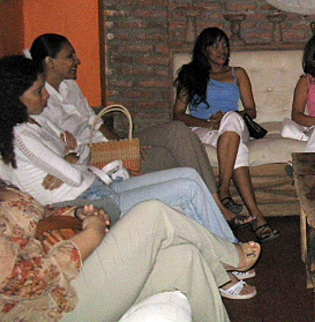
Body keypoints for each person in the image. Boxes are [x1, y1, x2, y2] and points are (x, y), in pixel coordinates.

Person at [0, 55, 258, 302]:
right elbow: (75, 176)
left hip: (100, 186)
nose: (45, 95)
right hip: (86, 204)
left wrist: (70, 156)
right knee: (180, 199)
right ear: (13, 98)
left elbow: (85, 150)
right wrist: (71, 160)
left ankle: (229, 249)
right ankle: (225, 271)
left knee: (189, 177)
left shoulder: (37, 122)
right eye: (37, 91)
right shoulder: (21, 136)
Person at [28, 34, 246, 228]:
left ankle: (215, 204)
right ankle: (214, 209)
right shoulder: (37, 102)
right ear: (50, 62)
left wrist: (124, 145)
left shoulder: (70, 86)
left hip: (111, 146)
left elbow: (96, 121)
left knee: (177, 131)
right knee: (174, 154)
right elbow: (56, 149)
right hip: (96, 158)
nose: (77, 60)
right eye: (70, 56)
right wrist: (110, 154)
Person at [0, 181, 261, 321]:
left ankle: (223, 260)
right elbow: (18, 282)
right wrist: (87, 237)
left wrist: (77, 215)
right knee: (152, 213)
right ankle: (231, 257)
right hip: (47, 307)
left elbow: (42, 214)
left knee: (185, 257)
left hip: (64, 278)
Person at [173, 27, 279, 241]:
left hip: (234, 126)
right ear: (204, 50)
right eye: (215, 46)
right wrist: (207, 123)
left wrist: (227, 117)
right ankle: (257, 216)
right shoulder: (190, 74)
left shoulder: (237, 73)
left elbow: (251, 111)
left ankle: (223, 188)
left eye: (224, 45)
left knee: (232, 118)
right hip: (204, 130)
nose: (222, 50)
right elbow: (177, 114)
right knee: (237, 147)